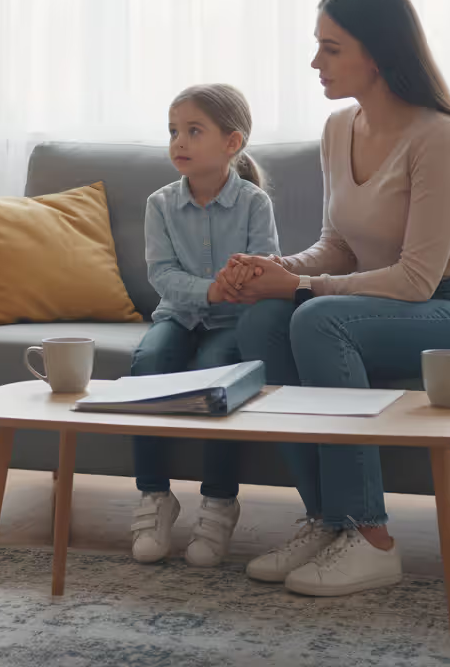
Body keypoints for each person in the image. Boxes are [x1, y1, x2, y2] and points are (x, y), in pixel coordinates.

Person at [218, 0, 450, 597]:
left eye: (330, 48)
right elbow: (338, 245)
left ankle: (371, 537)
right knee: (261, 321)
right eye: (317, 46)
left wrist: (301, 287)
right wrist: (273, 270)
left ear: (375, 54)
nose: (315, 62)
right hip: (382, 305)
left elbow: (416, 277)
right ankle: (327, 521)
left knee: (315, 318)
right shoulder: (337, 128)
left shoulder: (439, 137)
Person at [128, 84, 280, 566]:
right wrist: (210, 289)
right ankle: (155, 496)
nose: (179, 142)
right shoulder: (160, 204)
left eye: (194, 131)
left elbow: (265, 267)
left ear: (231, 143)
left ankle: (218, 502)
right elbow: (162, 275)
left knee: (219, 375)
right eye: (174, 131)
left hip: (234, 323)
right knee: (149, 361)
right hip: (179, 315)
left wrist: (240, 281)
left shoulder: (255, 203)